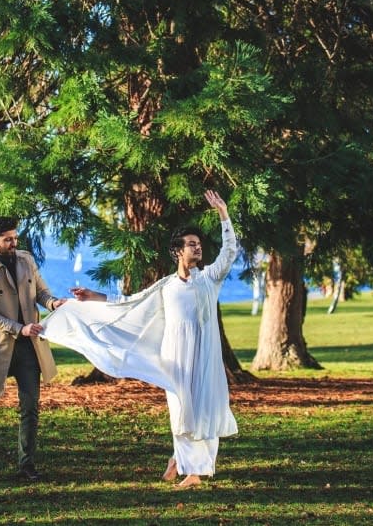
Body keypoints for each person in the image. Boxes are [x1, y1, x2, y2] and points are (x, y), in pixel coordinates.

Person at [41, 190, 238, 488]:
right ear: (177, 252)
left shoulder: (210, 278)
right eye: (191, 245)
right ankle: (187, 464)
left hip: (207, 356)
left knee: (206, 409)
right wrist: (94, 297)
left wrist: (223, 213)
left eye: (199, 245)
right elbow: (130, 303)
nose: (197, 249)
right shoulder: (166, 286)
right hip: (176, 357)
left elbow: (230, 252)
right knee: (182, 409)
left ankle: (192, 468)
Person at [0, 216, 67, 483]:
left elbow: (41, 292)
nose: (14, 243)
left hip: (30, 350)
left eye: (15, 238)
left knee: (30, 408)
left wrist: (53, 304)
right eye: (8, 239)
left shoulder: (26, 260)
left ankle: (26, 465)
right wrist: (20, 328)